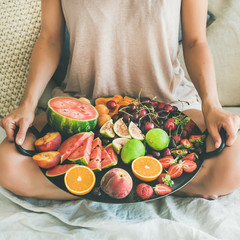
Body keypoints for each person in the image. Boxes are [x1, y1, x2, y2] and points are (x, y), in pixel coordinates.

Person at [0, 0, 239, 200]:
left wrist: (212, 105)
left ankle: (91, 184)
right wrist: (28, 104)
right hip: (83, 107)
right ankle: (150, 184)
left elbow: (195, 41)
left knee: (234, 162)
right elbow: (50, 38)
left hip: (167, 106)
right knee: (8, 163)